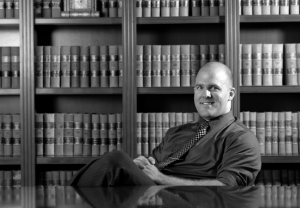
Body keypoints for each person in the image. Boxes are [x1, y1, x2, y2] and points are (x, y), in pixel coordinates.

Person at [68, 62, 261, 186]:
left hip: (192, 201)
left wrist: (161, 178)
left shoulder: (241, 139)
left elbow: (228, 187)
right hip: (152, 198)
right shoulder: (176, 133)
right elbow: (154, 168)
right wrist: (141, 167)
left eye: (214, 88)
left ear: (231, 94)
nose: (205, 95)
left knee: (116, 161)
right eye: (199, 87)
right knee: (118, 167)